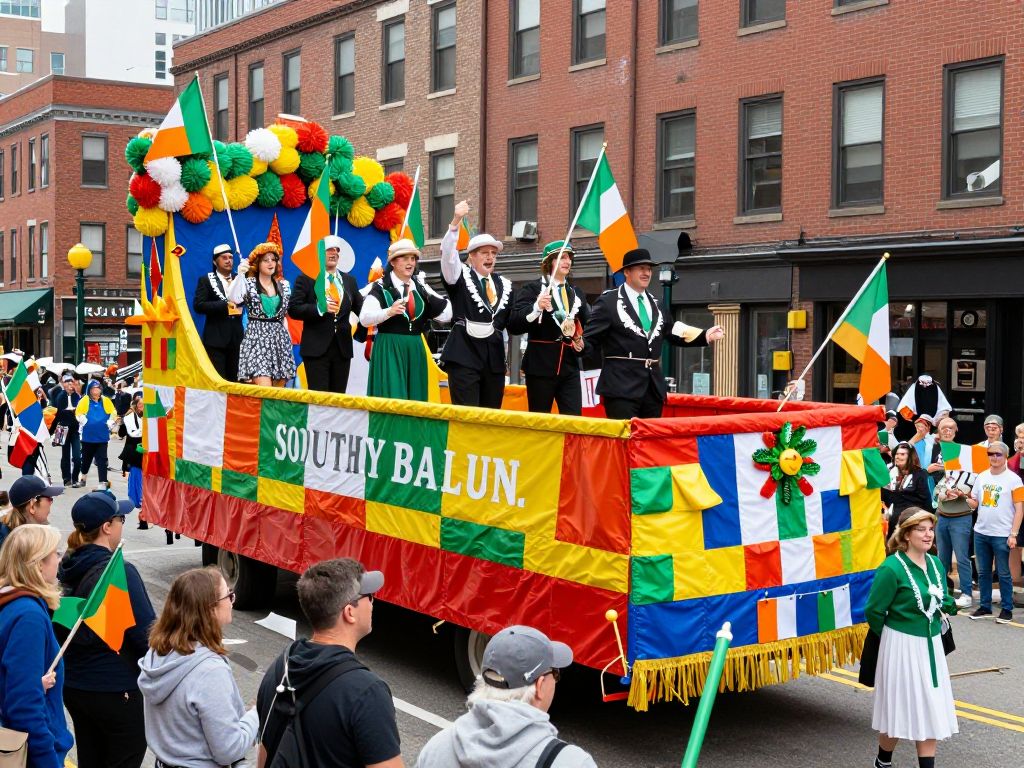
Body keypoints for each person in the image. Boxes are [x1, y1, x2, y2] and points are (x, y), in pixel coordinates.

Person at [256, 558, 401, 768]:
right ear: (349, 613)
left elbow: (264, 755)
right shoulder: (367, 692)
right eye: (369, 596)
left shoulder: (280, 669)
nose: (372, 602)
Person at [56, 491, 156, 768]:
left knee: (92, 758)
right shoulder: (118, 572)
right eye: (120, 518)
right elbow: (148, 637)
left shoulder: (66, 566)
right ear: (107, 527)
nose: (123, 524)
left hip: (75, 686)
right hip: (115, 688)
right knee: (125, 757)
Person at [416, 625, 595, 768]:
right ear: (540, 686)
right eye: (555, 674)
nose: (555, 680)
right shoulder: (571, 762)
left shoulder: (439, 746)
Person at [583, 248, 725, 420]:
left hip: (652, 389)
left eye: (649, 269)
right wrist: (578, 346)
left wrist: (704, 335)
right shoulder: (608, 302)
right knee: (626, 437)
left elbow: (672, 330)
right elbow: (590, 339)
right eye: (641, 268)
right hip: (621, 388)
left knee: (650, 437)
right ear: (627, 272)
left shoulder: (657, 303)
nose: (646, 273)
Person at [138, 567, 258, 768]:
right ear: (210, 610)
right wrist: (256, 714)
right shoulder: (210, 672)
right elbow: (229, 750)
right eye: (228, 595)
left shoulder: (158, 652)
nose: (232, 600)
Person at [865, 507, 957, 768]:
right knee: (899, 709)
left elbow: (940, 598)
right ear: (906, 534)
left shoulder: (936, 563)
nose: (928, 535)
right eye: (921, 529)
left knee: (930, 706)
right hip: (900, 645)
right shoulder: (891, 568)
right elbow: (874, 611)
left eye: (931, 529)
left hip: (931, 645)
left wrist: (947, 605)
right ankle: (883, 760)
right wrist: (893, 637)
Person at [0, 524, 75, 768]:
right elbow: (24, 708)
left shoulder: (9, 601)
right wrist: (47, 760)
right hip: (32, 755)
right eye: (55, 553)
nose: (59, 559)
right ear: (38, 564)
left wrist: (33, 684)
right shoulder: (28, 616)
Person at [438, 201, 513, 409]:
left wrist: (535, 310)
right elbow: (448, 257)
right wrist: (455, 222)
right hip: (464, 356)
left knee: (491, 417)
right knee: (467, 416)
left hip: (494, 361)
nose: (490, 257)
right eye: (484, 253)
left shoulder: (504, 284)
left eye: (493, 253)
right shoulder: (459, 276)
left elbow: (510, 323)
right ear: (471, 256)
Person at [359, 239, 451, 401]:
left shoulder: (420, 286)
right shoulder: (381, 287)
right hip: (390, 347)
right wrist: (389, 312)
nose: (410, 263)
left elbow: (446, 314)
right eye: (405, 258)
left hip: (415, 347)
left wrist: (430, 297)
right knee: (392, 396)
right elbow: (365, 318)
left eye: (413, 258)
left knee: (416, 397)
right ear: (393, 262)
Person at [508, 241, 590, 416]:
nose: (567, 261)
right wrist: (536, 307)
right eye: (562, 258)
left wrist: (583, 344)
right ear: (549, 262)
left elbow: (589, 327)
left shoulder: (576, 293)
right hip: (540, 367)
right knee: (540, 421)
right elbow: (514, 324)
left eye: (569, 258)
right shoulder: (532, 289)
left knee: (574, 421)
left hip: (569, 368)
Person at [289, 235, 363, 393]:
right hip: (316, 349)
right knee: (319, 400)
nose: (334, 253)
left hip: (342, 349)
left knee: (338, 399)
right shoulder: (307, 278)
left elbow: (361, 310)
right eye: (329, 249)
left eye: (337, 250)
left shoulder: (349, 281)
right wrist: (319, 309)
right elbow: (294, 309)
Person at [965, 441, 1024, 623]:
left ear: (1006, 456)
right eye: (991, 454)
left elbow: (1019, 509)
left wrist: (1013, 534)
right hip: (981, 531)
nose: (994, 457)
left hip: (1002, 533)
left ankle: (1006, 608)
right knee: (983, 572)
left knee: (1003, 573)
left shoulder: (1014, 479)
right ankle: (985, 606)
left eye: (998, 454)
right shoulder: (981, 476)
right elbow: (975, 503)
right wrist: (963, 498)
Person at [227, 242, 297, 387]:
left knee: (278, 392)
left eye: (273, 259)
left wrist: (288, 339)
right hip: (257, 340)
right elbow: (233, 298)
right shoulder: (249, 283)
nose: (271, 263)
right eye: (266, 260)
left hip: (280, 341)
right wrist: (240, 275)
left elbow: (284, 316)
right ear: (257, 264)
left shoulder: (284, 285)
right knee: (265, 388)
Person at [194, 243, 245, 381]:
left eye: (231, 257)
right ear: (215, 261)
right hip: (215, 340)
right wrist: (224, 305)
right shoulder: (206, 280)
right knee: (219, 382)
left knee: (236, 382)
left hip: (237, 339)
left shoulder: (239, 279)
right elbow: (199, 305)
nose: (229, 261)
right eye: (224, 258)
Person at [882, 443, 933, 537]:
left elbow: (927, 501)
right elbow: (886, 498)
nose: (898, 457)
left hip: (914, 520)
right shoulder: (890, 474)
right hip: (895, 521)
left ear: (910, 457)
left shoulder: (920, 474)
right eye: (896, 454)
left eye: (902, 454)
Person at [0, 475, 64, 550]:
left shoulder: (10, 535)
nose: (51, 502)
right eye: (49, 498)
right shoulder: (20, 548)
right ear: (32, 506)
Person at [75, 378, 116, 489]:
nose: (96, 390)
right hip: (88, 437)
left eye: (98, 388)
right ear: (89, 390)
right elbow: (78, 413)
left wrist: (111, 421)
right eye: (93, 388)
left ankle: (103, 482)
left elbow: (113, 412)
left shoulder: (106, 400)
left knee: (102, 460)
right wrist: (84, 420)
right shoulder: (85, 400)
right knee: (86, 460)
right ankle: (82, 478)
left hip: (102, 437)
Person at [52, 374, 84, 487]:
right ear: (63, 384)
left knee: (77, 456)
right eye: (67, 382)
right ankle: (66, 478)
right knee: (65, 455)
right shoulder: (60, 395)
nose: (70, 384)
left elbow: (81, 410)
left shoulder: (77, 396)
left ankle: (75, 478)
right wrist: (53, 432)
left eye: (71, 382)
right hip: (62, 428)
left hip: (75, 430)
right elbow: (56, 412)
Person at [119, 395, 144, 520]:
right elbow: (131, 433)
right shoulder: (129, 417)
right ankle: (136, 498)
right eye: (140, 404)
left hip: (144, 448)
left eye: (144, 405)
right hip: (133, 448)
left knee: (141, 473)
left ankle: (140, 497)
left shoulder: (148, 416)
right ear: (136, 405)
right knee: (135, 473)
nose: (142, 407)